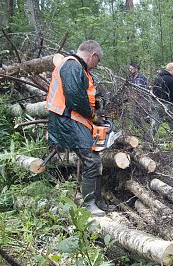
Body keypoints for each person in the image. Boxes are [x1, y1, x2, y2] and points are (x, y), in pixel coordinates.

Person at [46, 40, 112, 217]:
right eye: (97, 62)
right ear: (93, 56)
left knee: (95, 158)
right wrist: (94, 116)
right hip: (68, 120)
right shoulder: (71, 66)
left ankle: (97, 201)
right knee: (91, 160)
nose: (96, 66)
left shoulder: (80, 69)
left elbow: (84, 95)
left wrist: (97, 107)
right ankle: (88, 204)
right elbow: (75, 99)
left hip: (76, 120)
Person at [150, 62, 173, 139]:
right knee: (172, 120)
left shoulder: (157, 77)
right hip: (165, 104)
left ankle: (150, 138)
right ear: (172, 69)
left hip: (155, 102)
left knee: (155, 122)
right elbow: (171, 95)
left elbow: (153, 90)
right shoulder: (171, 79)